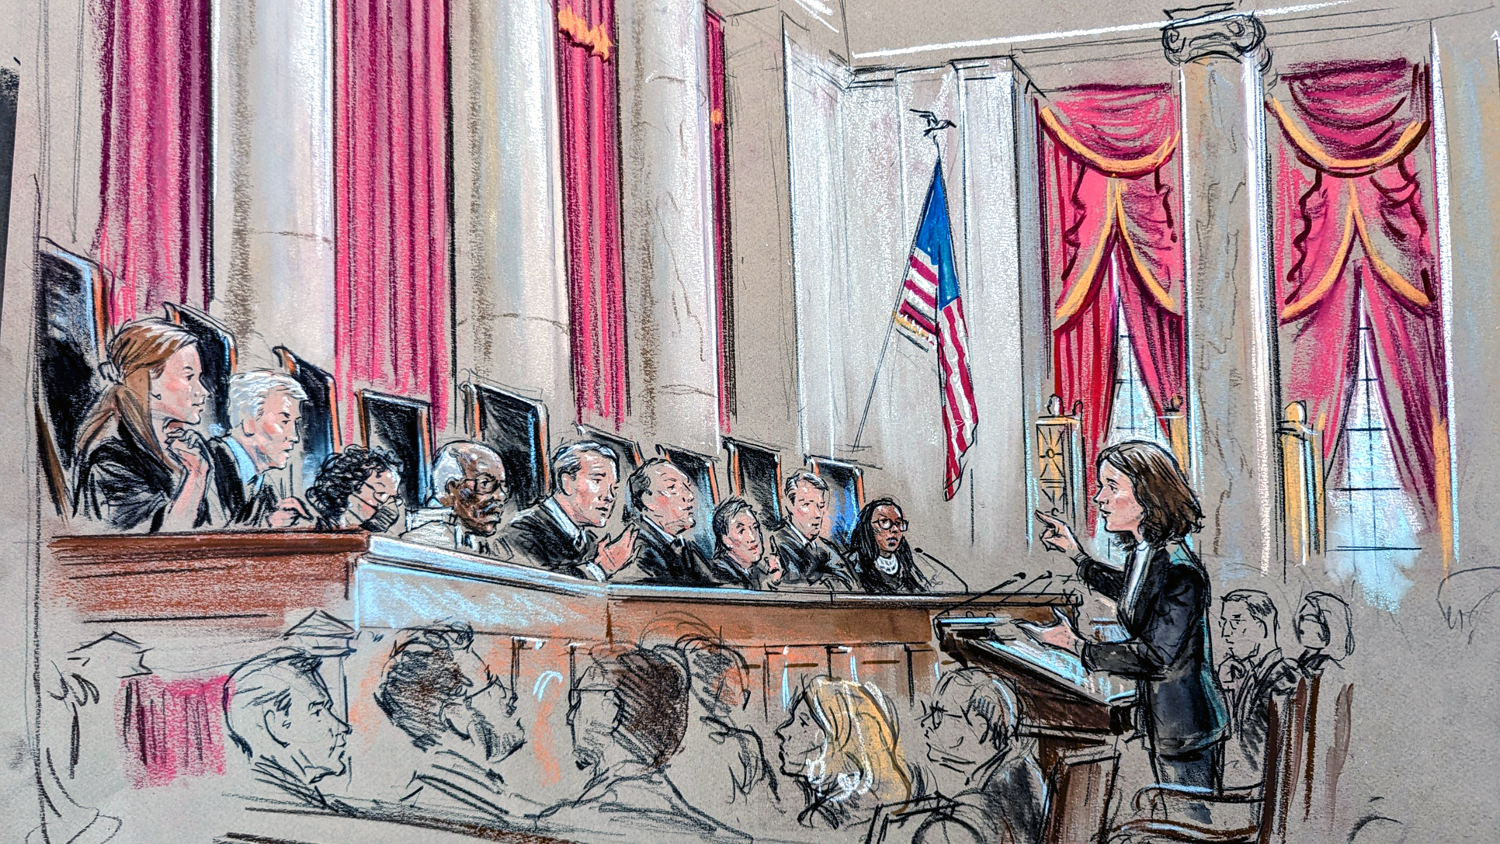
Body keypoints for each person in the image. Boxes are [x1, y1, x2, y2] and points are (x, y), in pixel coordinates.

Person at [1022, 440, 1228, 823]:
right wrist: (1076, 555)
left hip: (1187, 728)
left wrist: (1077, 647)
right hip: (1165, 722)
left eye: (1111, 487)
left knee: (1190, 824)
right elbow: (1130, 593)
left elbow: (1156, 656)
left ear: (1148, 496)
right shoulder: (1147, 552)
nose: (1099, 498)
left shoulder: (1181, 571)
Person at [536, 648, 749, 842]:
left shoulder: (562, 827)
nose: (571, 715)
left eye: (578, 699)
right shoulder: (722, 837)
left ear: (610, 708)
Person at [73, 318, 217, 532]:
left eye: (199, 377)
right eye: (189, 377)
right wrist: (195, 476)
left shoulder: (189, 446)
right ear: (150, 379)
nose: (203, 392)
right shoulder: (110, 460)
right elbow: (150, 548)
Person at [373, 622, 531, 815]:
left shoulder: (459, 786)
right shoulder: (469, 801)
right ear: (456, 716)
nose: (507, 695)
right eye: (490, 683)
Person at [915, 669, 1046, 844]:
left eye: (939, 714)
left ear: (980, 727)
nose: (926, 723)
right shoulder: (1024, 769)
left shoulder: (952, 828)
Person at [667, 635, 783, 829]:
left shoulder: (671, 737)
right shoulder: (742, 744)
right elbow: (766, 812)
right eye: (740, 687)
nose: (746, 696)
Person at [775, 675, 912, 830]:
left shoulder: (820, 824)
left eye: (803, 723)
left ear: (844, 743)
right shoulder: (872, 815)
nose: (782, 731)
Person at [223, 647, 352, 809]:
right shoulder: (275, 809)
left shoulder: (297, 800)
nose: (342, 727)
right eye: (318, 711)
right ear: (276, 725)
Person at [500, 441, 635, 581]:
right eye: (597, 481)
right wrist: (600, 569)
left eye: (614, 487)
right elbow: (542, 591)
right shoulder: (521, 533)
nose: (609, 496)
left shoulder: (591, 543)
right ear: (566, 482)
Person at [208, 371, 312, 528]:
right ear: (249, 422)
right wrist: (268, 523)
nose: (294, 436)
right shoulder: (208, 464)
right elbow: (204, 538)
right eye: (284, 421)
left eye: (295, 424)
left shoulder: (263, 487)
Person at [1219, 589, 1302, 787]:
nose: (1226, 633)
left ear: (1261, 627)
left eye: (1236, 622)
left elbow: (1255, 764)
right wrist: (1226, 689)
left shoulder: (1285, 680)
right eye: (1224, 623)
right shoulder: (1252, 676)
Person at [402, 442, 512, 556]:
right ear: (452, 489)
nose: (501, 496)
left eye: (503, 486)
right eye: (485, 484)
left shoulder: (494, 547)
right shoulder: (425, 542)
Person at [622, 458, 714, 586]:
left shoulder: (687, 548)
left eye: (687, 486)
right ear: (648, 500)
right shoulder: (639, 551)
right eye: (672, 487)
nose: (689, 496)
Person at [773, 470, 857, 589]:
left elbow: (851, 584)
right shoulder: (776, 544)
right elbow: (797, 590)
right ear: (789, 506)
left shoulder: (827, 547)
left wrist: (818, 578)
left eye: (821, 506)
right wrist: (828, 577)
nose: (817, 514)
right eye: (807, 504)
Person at [849, 497, 940, 593]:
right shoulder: (852, 563)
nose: (895, 529)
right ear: (867, 527)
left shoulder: (910, 564)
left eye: (898, 523)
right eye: (884, 522)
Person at [304, 445, 403, 532]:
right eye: (381, 493)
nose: (387, 503)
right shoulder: (315, 523)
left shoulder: (376, 524)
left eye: (394, 497)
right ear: (351, 486)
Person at [703, 497, 784, 589]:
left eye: (755, 527)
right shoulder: (719, 576)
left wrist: (774, 580)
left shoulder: (757, 571)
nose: (752, 537)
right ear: (726, 540)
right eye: (741, 531)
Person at [1294, 591, 1355, 677]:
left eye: (1310, 619)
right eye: (1302, 618)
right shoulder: (1302, 657)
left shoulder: (1326, 665)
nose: (1301, 625)